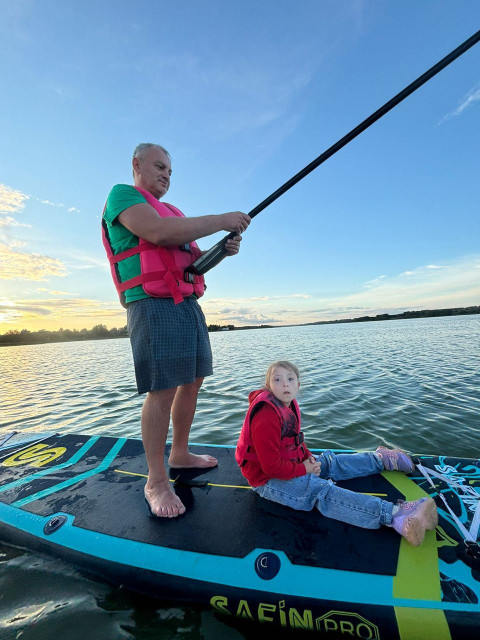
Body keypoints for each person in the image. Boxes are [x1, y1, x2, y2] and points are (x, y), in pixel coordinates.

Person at [103, 143, 251, 518]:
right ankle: (155, 480)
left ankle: (180, 453)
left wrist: (222, 250)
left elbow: (192, 266)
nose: (167, 174)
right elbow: (156, 233)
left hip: (186, 303)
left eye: (170, 170)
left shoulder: (176, 212)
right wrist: (222, 219)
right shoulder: (122, 196)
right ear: (136, 164)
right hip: (152, 304)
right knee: (162, 388)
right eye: (159, 166)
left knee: (194, 379)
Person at [235, 361, 438, 546]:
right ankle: (396, 516)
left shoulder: (288, 404)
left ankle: (380, 459)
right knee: (318, 490)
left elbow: (294, 438)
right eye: (277, 380)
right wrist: (302, 469)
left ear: (298, 384)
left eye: (290, 379)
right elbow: (270, 466)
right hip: (266, 479)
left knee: (329, 463)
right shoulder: (266, 414)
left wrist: (307, 457)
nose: (284, 384)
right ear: (269, 386)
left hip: (289, 463)